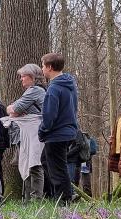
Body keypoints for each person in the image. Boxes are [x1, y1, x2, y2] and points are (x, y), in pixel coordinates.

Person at [38, 53, 78, 203]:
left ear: (49, 67)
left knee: (58, 168)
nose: (42, 69)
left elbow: (49, 115)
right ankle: (57, 195)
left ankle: (64, 199)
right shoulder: (69, 84)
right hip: (67, 131)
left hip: (57, 133)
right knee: (46, 161)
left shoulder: (54, 88)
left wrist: (42, 130)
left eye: (43, 66)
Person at [7, 64, 46, 201]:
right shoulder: (31, 91)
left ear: (33, 77)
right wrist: (13, 109)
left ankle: (35, 199)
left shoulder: (35, 90)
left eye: (24, 76)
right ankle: (28, 198)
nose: (21, 79)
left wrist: (14, 109)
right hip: (28, 134)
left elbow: (16, 108)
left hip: (34, 134)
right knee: (27, 164)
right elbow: (12, 109)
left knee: (34, 164)